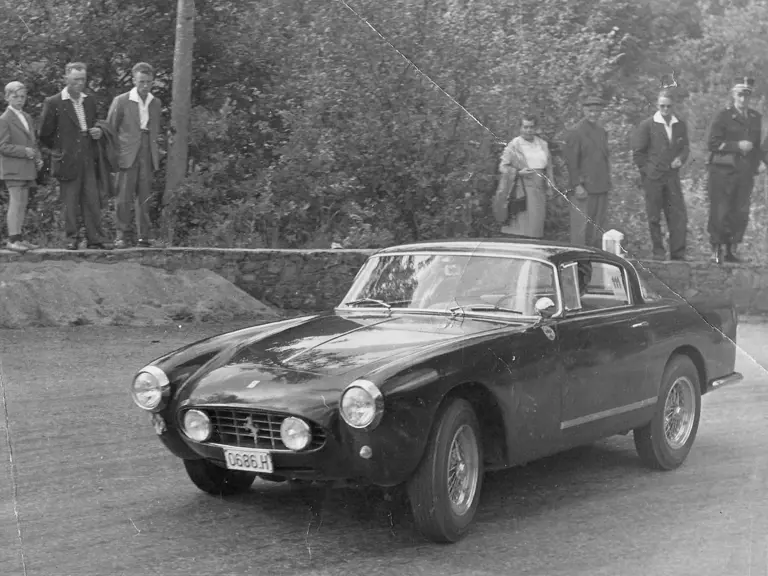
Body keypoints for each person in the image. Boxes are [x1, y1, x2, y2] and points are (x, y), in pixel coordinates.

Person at [38, 62, 111, 250]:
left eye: (83, 79)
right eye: (76, 79)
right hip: (67, 158)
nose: (80, 83)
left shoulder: (90, 100)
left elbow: (98, 121)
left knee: (92, 198)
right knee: (69, 201)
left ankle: (95, 238)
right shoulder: (54, 102)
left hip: (89, 155)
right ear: (66, 79)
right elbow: (44, 134)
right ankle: (72, 238)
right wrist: (60, 151)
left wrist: (98, 130)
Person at [705, 77, 763, 264]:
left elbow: (757, 145)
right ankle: (716, 249)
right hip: (723, 171)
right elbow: (712, 143)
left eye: (747, 94)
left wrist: (761, 162)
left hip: (745, 172)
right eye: (740, 94)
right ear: (733, 95)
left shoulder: (755, 117)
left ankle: (731, 249)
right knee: (720, 210)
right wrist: (737, 145)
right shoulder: (724, 115)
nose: (743, 98)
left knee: (740, 212)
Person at [107, 62, 162, 249]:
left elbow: (154, 129)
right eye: (141, 82)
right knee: (123, 195)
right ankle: (121, 235)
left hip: (147, 151)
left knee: (144, 196)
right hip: (127, 152)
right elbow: (110, 129)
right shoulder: (121, 101)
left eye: (148, 82)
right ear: (133, 80)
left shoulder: (155, 103)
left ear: (152, 81)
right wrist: (114, 155)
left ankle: (143, 236)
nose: (144, 86)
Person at [631, 89, 690, 261]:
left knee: (678, 215)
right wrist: (648, 173)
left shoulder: (680, 124)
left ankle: (678, 253)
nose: (665, 109)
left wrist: (681, 159)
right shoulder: (647, 125)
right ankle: (658, 251)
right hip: (654, 179)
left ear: (673, 106)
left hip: (672, 178)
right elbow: (638, 154)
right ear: (657, 105)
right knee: (654, 216)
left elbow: (685, 148)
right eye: (662, 106)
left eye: (668, 106)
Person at [562, 92, 612, 248]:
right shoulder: (575, 132)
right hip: (583, 189)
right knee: (580, 232)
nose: (593, 114)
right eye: (590, 111)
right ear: (583, 111)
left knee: (596, 231)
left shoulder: (601, 132)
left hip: (601, 187)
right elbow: (571, 162)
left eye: (597, 111)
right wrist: (577, 185)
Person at [0, 81, 43, 252]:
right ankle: (12, 239)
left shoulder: (27, 117)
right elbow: (2, 146)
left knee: (23, 203)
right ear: (6, 97)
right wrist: (24, 151)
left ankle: (19, 237)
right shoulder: (4, 119)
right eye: (15, 96)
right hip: (13, 168)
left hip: (27, 167)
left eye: (22, 96)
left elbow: (32, 141)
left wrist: (37, 158)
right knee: (16, 202)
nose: (19, 100)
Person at [497, 114, 555, 238]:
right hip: (521, 190)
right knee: (522, 227)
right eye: (525, 127)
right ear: (520, 128)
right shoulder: (514, 145)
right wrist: (518, 172)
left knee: (536, 225)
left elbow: (549, 166)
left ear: (536, 128)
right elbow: (503, 167)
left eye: (532, 127)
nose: (529, 130)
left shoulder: (542, 144)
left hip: (539, 189)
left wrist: (550, 184)